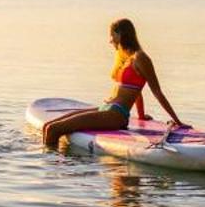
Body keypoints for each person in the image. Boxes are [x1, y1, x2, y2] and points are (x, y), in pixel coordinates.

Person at [42, 17, 185, 150]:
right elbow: (137, 91)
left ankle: (50, 171)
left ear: (120, 34)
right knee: (47, 126)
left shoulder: (141, 58)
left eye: (111, 35)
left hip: (116, 115)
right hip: (106, 108)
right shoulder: (127, 58)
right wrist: (141, 116)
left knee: (53, 129)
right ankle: (50, 162)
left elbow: (157, 92)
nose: (110, 40)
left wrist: (177, 121)